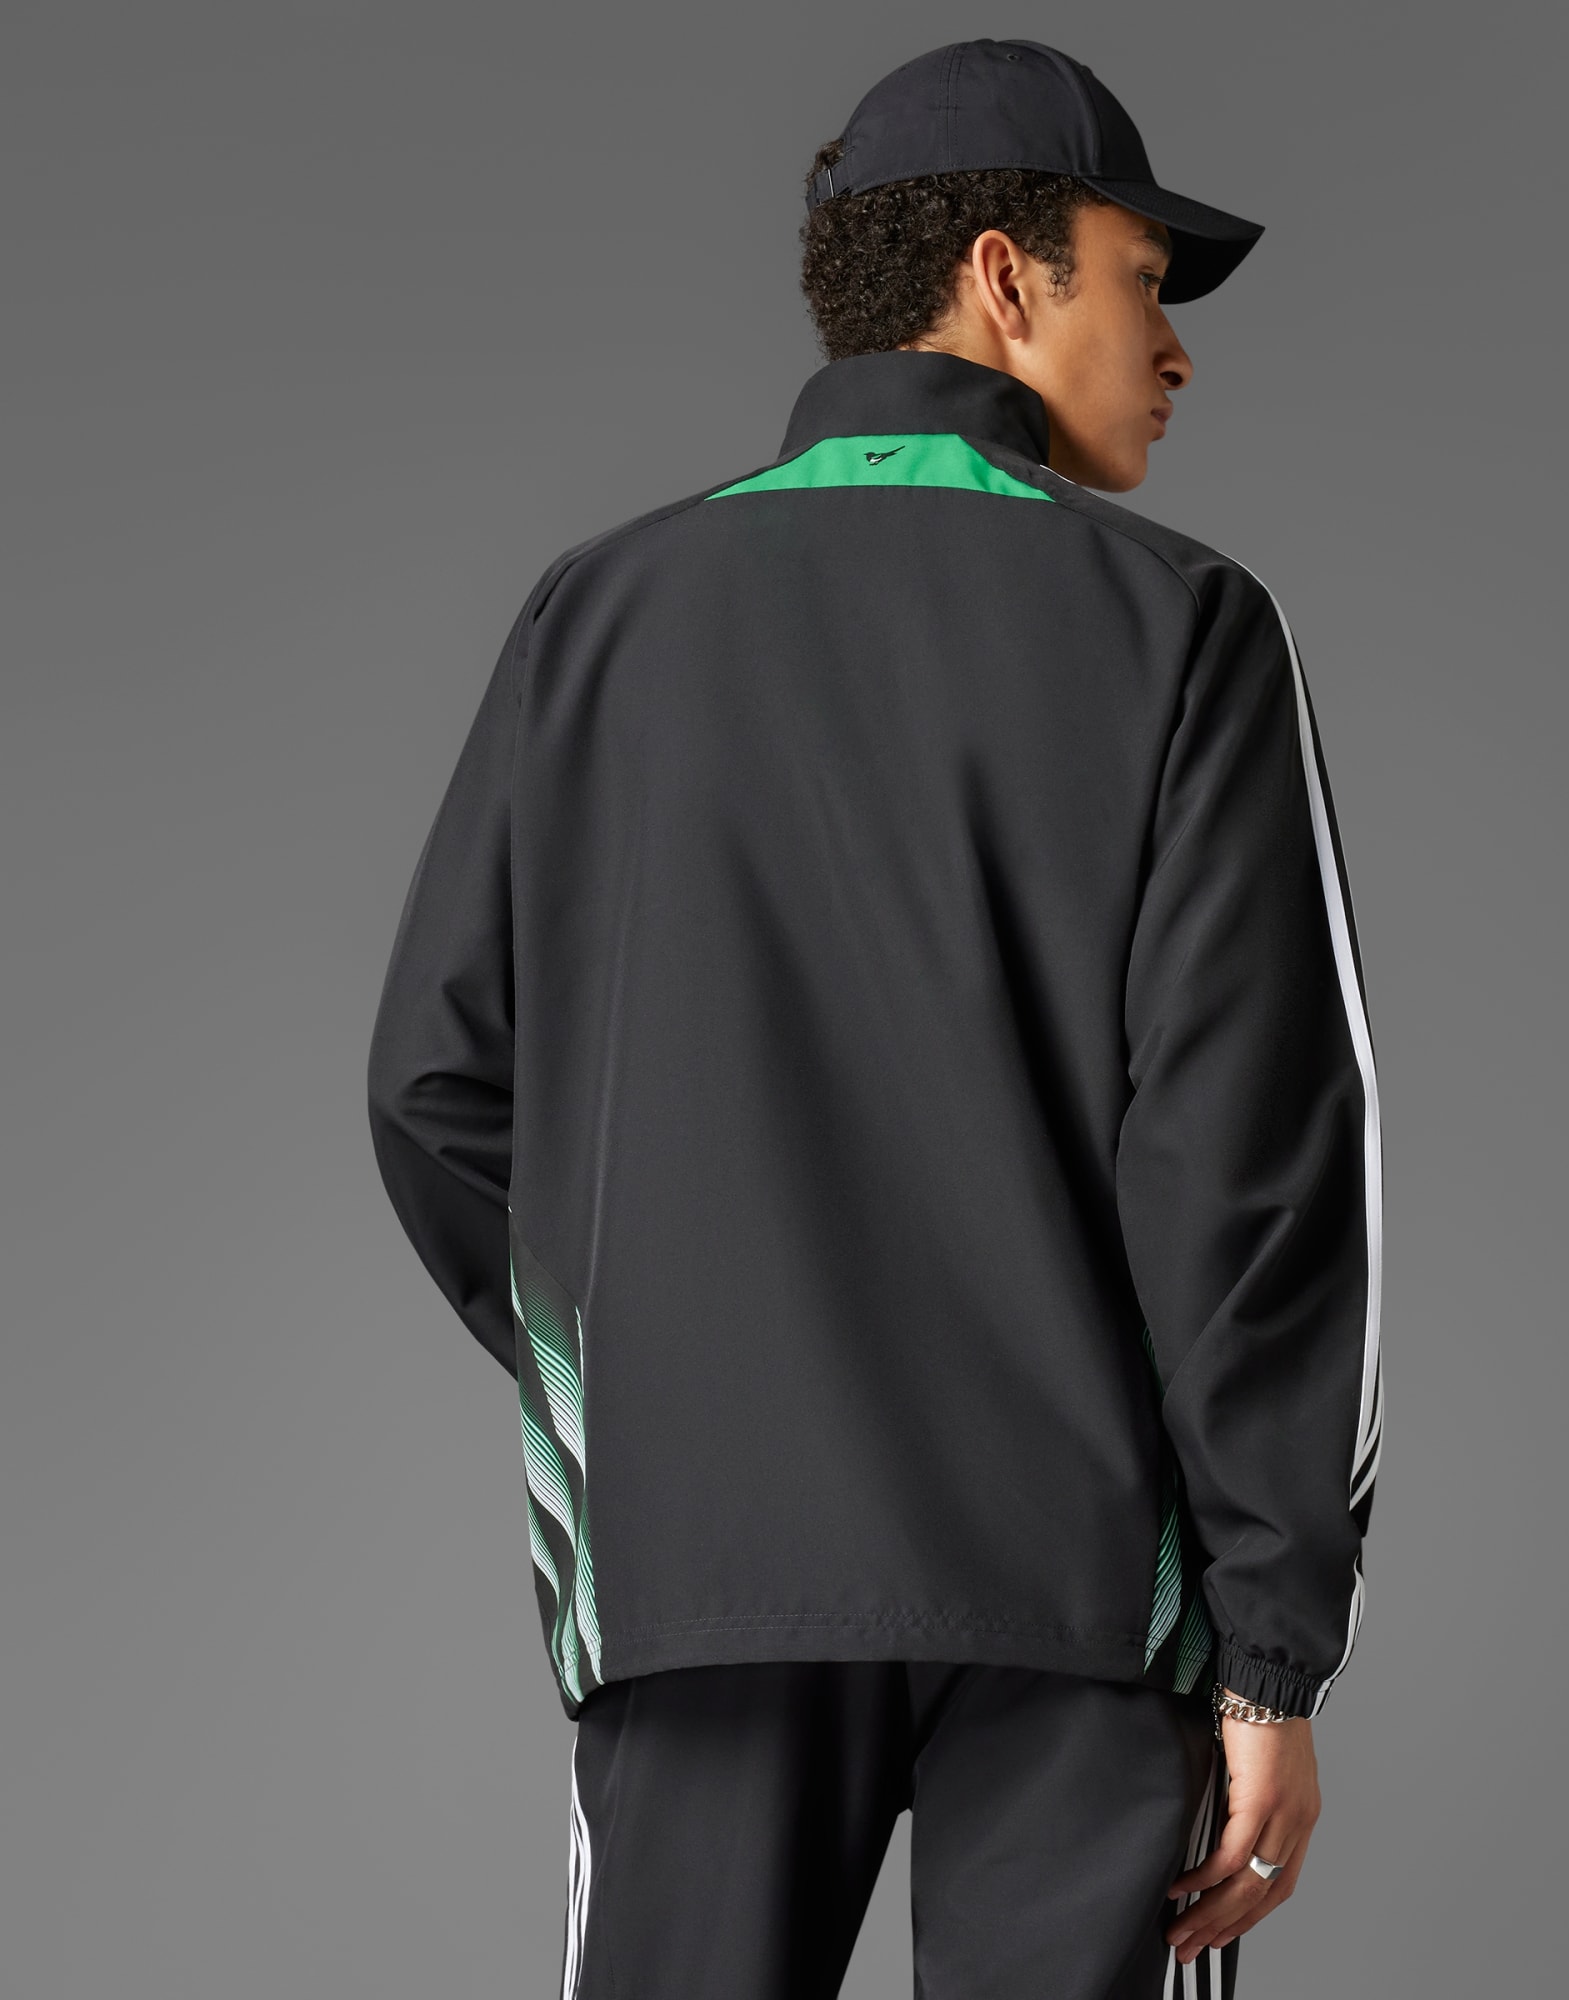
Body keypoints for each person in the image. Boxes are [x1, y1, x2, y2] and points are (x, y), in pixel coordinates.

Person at [366, 36, 1382, 2000]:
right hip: (1087, 1582)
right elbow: (1253, 1161)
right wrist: (1270, 1658)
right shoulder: (1183, 627)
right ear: (1005, 278)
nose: (1177, 353)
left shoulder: (598, 616)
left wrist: (660, 1380)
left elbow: (435, 1083)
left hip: (702, 1565)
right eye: (1144, 285)